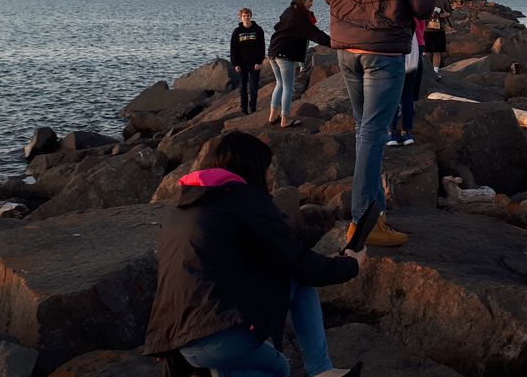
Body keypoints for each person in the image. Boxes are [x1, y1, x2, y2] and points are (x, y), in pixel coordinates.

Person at [144, 131, 365, 377]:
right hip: (225, 338)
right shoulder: (247, 200)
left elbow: (174, 285)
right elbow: (299, 263)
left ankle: (218, 372)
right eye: (266, 168)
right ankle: (321, 370)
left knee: (280, 368)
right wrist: (350, 265)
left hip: (183, 347)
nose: (269, 176)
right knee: (298, 279)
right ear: (252, 167)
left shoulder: (179, 209)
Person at [324, 0, 433, 247]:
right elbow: (422, 6)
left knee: (364, 130)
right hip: (383, 51)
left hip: (346, 49)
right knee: (373, 134)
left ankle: (376, 212)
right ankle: (362, 224)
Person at [267, 0, 331, 128]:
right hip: (285, 54)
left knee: (279, 84)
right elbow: (314, 33)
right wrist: (333, 42)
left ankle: (272, 116)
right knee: (289, 87)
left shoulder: (289, 11)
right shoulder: (298, 17)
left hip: (273, 51)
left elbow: (277, 25)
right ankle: (285, 119)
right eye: (310, 1)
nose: (312, 4)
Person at [387, 18, 425, 147]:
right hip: (415, 44)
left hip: (393, 44)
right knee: (407, 92)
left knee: (392, 91)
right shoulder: (416, 2)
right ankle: (406, 132)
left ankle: (391, 131)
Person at [229, 8, 265, 114]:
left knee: (254, 87)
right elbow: (233, 48)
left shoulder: (258, 30)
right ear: (241, 17)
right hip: (241, 64)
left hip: (254, 64)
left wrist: (259, 62)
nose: (246, 17)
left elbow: (262, 47)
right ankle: (244, 109)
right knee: (242, 88)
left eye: (248, 15)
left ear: (251, 16)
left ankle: (253, 107)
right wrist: (235, 64)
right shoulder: (237, 32)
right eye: (244, 16)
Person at [423, 0, 452, 72]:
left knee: (437, 52)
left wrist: (445, 14)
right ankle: (426, 71)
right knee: (426, 52)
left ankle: (435, 72)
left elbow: (449, 12)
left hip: (440, 28)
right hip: (427, 28)